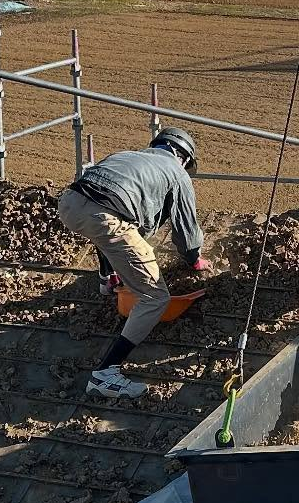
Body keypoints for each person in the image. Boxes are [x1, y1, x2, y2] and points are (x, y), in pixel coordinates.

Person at [57, 128, 211, 399]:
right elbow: (186, 231)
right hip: (103, 216)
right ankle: (105, 374)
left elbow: (102, 201)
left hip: (69, 203)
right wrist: (194, 259)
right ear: (183, 156)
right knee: (155, 297)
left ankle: (108, 280)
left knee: (109, 230)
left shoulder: (128, 155)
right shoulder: (176, 172)